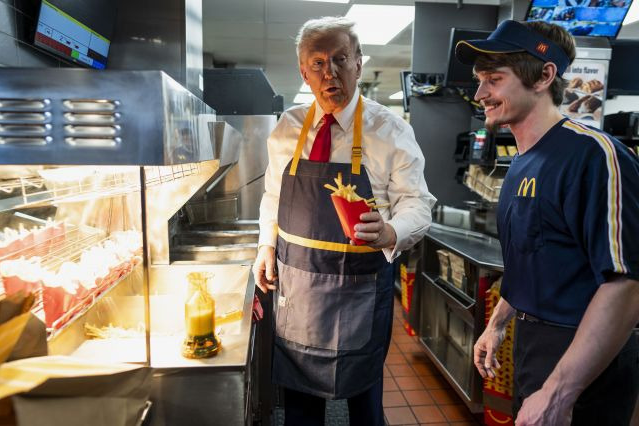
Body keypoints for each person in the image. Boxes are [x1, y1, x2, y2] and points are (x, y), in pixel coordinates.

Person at [252, 16, 435, 426]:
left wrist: (390, 231)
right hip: (298, 290)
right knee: (300, 409)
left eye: (340, 59)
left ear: (358, 63)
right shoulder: (288, 128)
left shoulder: (390, 130)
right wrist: (266, 245)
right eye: (317, 63)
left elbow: (418, 205)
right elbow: (275, 196)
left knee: (365, 407)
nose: (329, 72)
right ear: (304, 71)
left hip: (361, 291)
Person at [455, 20, 639, 425]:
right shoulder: (521, 164)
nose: (480, 94)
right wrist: (498, 323)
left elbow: (625, 285)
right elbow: (535, 260)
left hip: (585, 361)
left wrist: (558, 394)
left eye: (494, 80)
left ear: (544, 75)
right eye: (480, 81)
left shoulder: (594, 156)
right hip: (533, 345)